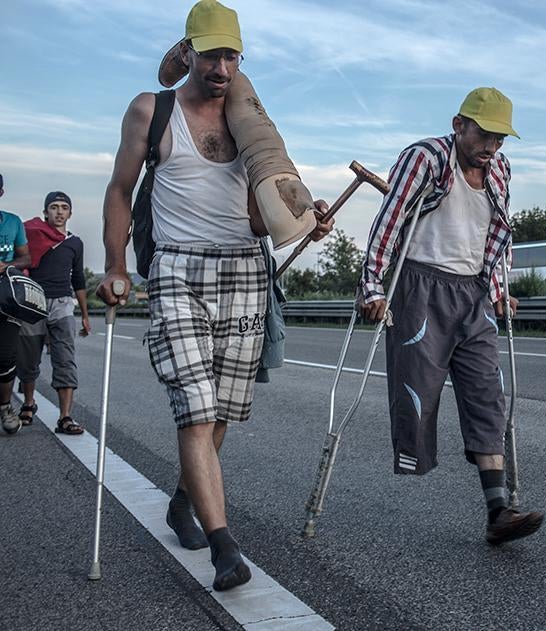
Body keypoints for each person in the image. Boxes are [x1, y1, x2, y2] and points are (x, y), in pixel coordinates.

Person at [97, 0, 333, 591]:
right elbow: (121, 190)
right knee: (195, 407)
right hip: (176, 271)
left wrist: (303, 216)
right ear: (189, 52)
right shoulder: (152, 112)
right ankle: (225, 548)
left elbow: (259, 220)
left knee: (223, 411)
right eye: (212, 54)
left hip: (245, 273)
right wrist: (116, 263)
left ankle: (184, 501)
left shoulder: (250, 122)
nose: (222, 66)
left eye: (232, 55)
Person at [359, 87, 544, 545]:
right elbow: (389, 222)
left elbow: (498, 232)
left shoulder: (498, 168)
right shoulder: (424, 158)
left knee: (488, 394)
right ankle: (415, 459)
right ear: (460, 124)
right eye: (485, 135)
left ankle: (499, 510)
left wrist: (500, 291)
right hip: (420, 285)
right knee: (416, 395)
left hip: (472, 292)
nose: (491, 147)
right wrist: (372, 287)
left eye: (500, 139)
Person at [16, 191, 90, 434]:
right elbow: (20, 263)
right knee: (28, 357)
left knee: (65, 359)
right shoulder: (31, 235)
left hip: (63, 304)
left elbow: (78, 278)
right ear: (45, 212)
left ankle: (65, 417)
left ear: (70, 213)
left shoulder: (74, 243)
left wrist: (86, 315)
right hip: (33, 303)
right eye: (54, 207)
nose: (59, 212)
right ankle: (28, 404)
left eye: (64, 207)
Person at [0, 173, 32, 435]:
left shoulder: (12, 222)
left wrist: (6, 265)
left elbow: (26, 259)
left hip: (6, 298)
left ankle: (4, 406)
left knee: (7, 355)